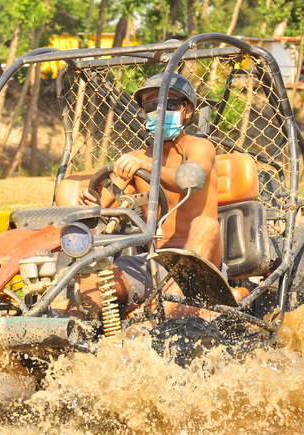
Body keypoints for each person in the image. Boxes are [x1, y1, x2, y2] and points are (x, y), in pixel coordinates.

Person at [55, 72, 221, 317]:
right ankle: (71, 333)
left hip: (202, 263)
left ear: (188, 110)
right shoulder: (138, 158)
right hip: (155, 262)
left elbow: (190, 181)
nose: (160, 111)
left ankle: (166, 312)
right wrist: (92, 200)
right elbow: (103, 205)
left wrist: (147, 167)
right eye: (152, 106)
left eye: (170, 104)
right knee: (94, 280)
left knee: (206, 224)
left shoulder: (199, 146)